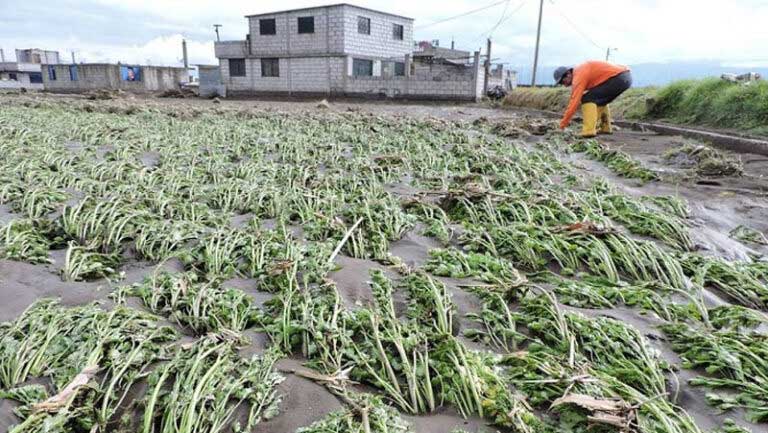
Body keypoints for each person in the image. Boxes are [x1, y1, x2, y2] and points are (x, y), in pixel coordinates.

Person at [554, 61, 632, 138]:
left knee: (587, 98)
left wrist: (562, 125)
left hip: (618, 77)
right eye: (561, 84)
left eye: (562, 82)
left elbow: (574, 102)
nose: (564, 85)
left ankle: (588, 131)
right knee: (599, 100)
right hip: (625, 77)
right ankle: (605, 127)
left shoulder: (578, 76)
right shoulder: (580, 71)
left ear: (568, 74)